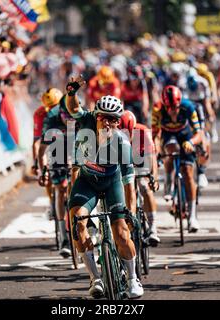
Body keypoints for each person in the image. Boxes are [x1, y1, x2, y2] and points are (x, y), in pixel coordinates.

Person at [65, 75, 143, 299]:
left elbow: (129, 182)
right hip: (87, 182)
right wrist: (71, 93)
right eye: (103, 118)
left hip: (112, 183)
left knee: (121, 232)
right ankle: (95, 278)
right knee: (77, 224)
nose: (107, 122)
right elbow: (74, 109)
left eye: (113, 119)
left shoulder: (122, 142)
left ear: (118, 122)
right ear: (96, 117)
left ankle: (132, 278)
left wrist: (131, 211)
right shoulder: (86, 127)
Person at [152, 85, 202, 232]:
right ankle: (168, 179)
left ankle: (192, 216)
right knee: (170, 148)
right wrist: (157, 151)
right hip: (168, 135)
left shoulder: (188, 107)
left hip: (185, 135)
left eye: (176, 107)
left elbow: (199, 133)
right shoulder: (157, 109)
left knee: (187, 172)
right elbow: (154, 135)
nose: (173, 111)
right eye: (170, 108)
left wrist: (191, 142)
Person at [38, 95, 78, 257]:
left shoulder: (81, 116)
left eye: (72, 121)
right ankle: (64, 238)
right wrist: (43, 171)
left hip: (77, 146)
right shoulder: (51, 118)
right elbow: (42, 152)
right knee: (60, 188)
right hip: (58, 148)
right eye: (66, 120)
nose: (69, 123)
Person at [119, 110, 160, 245]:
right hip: (123, 160)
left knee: (144, 185)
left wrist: (154, 177)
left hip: (140, 159)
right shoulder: (113, 134)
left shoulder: (143, 132)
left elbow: (152, 157)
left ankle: (153, 227)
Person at [32, 88, 63, 215]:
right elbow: (36, 142)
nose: (52, 110)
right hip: (49, 143)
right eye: (49, 107)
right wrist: (38, 167)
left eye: (55, 106)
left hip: (65, 141)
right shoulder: (40, 114)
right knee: (47, 173)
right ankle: (52, 201)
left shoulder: (67, 112)